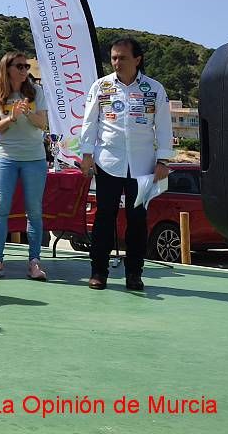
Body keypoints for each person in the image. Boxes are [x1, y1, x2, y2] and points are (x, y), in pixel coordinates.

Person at [80, 37, 173, 291]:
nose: (117, 62)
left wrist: (163, 161)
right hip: (108, 162)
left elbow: (164, 127)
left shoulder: (155, 89)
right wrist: (87, 154)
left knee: (138, 221)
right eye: (113, 58)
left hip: (143, 167)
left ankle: (134, 274)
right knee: (104, 219)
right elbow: (90, 123)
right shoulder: (101, 86)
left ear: (137, 59)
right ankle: (98, 272)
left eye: (122, 57)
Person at [0, 52, 50, 281]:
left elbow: (43, 124)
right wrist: (11, 117)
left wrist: (27, 112)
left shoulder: (36, 92)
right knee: (0, 209)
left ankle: (34, 261)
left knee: (34, 211)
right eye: (19, 66)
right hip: (6, 158)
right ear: (7, 68)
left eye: (26, 66)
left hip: (34, 158)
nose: (24, 70)